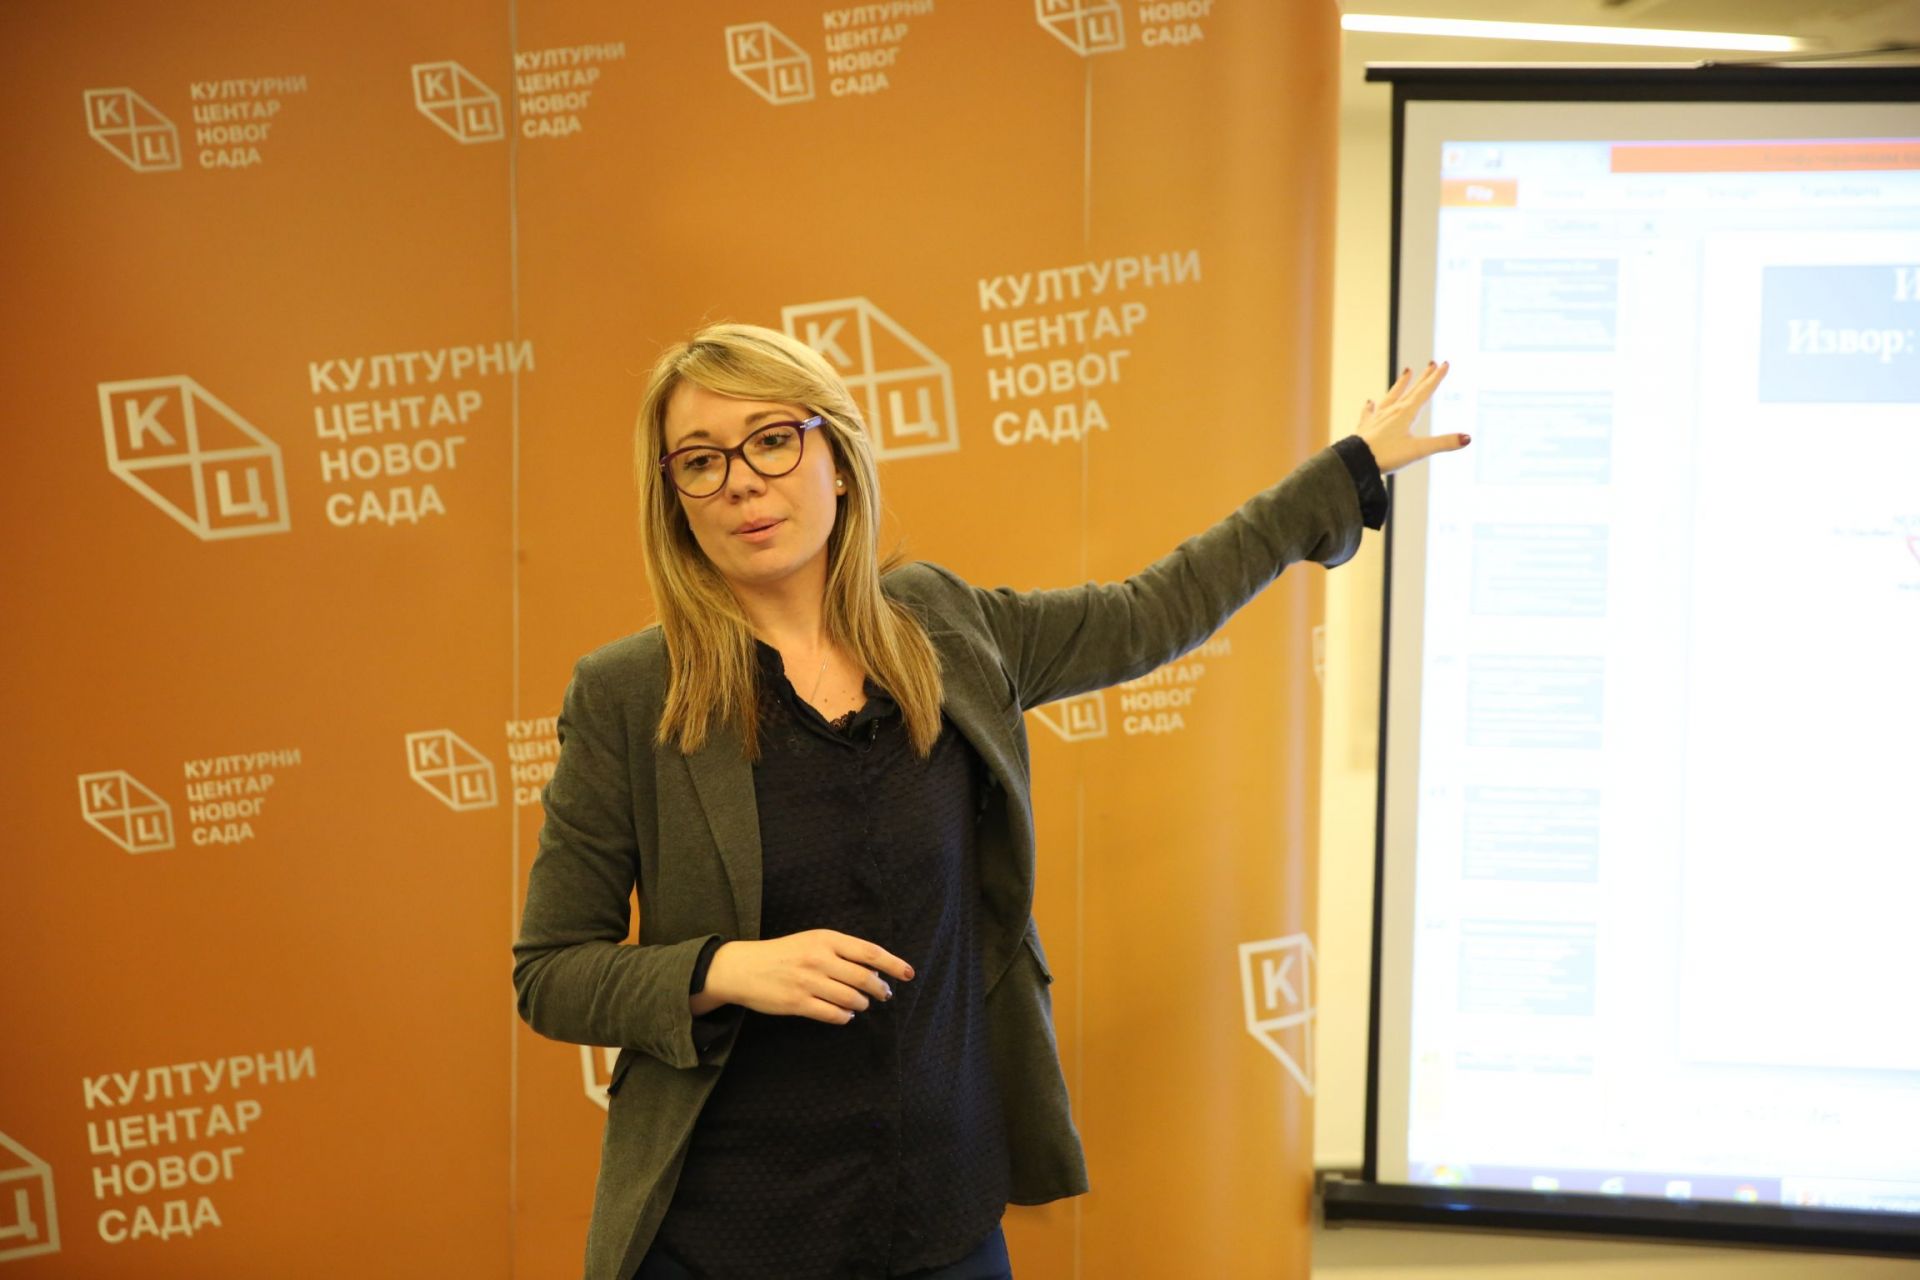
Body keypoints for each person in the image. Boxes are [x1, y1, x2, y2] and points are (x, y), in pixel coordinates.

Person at [512, 323, 1461, 1280]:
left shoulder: (945, 627)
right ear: (673, 499)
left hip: (942, 1225)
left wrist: (1344, 473)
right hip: (728, 1238)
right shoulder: (630, 692)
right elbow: (550, 973)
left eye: (772, 440)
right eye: (700, 461)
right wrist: (724, 968)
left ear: (837, 458)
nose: (743, 483)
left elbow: (1151, 612)